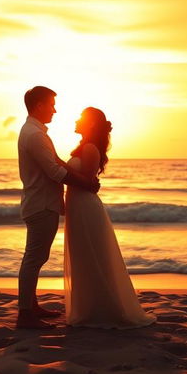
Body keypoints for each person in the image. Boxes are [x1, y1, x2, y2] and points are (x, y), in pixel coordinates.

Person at [64, 107, 155, 329]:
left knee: (91, 256)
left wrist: (56, 164)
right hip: (78, 207)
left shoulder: (90, 148)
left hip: (86, 208)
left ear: (91, 124)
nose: (76, 120)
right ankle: (89, 308)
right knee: (83, 256)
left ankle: (101, 310)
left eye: (81, 118)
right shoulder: (83, 147)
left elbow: (86, 182)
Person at [16, 86, 99, 329]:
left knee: (37, 256)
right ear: (39, 105)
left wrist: (85, 181)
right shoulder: (34, 135)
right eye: (51, 104)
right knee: (34, 258)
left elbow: (55, 162)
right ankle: (25, 313)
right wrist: (87, 183)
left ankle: (31, 307)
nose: (55, 109)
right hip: (42, 204)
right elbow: (54, 171)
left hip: (40, 202)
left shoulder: (35, 132)